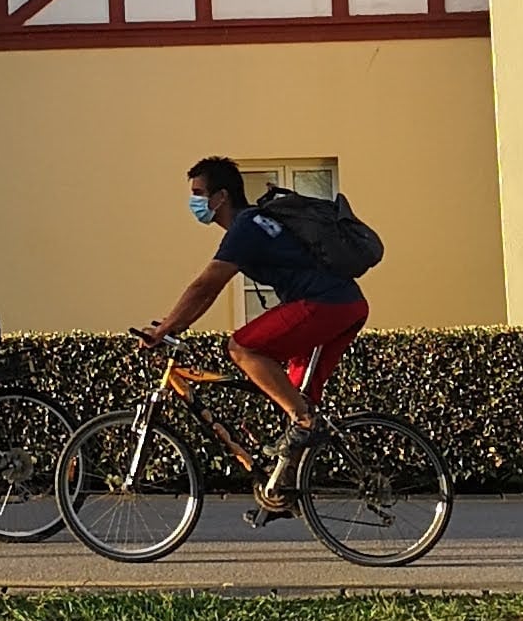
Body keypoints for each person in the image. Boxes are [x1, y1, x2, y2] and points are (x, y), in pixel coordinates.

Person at [137, 156, 368, 515]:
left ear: (221, 197)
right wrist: (175, 324)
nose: (193, 202)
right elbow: (207, 292)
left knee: (242, 347)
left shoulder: (245, 227)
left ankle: (303, 424)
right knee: (297, 398)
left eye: (199, 194)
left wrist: (166, 328)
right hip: (345, 304)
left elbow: (206, 286)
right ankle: (281, 493)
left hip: (326, 304)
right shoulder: (257, 223)